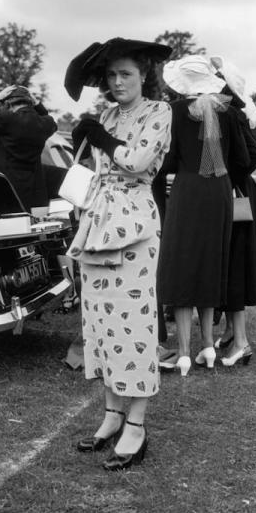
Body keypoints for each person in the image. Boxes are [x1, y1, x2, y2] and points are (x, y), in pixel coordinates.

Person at [63, 37, 172, 471]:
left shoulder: (159, 112)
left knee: (135, 325)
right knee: (101, 323)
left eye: (126, 73)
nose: (118, 81)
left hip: (135, 224)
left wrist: (101, 137)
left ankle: (137, 424)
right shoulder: (106, 114)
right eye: (111, 75)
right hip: (98, 222)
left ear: (144, 74)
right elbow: (95, 168)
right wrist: (84, 139)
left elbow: (137, 160)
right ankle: (112, 416)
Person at [153, 55, 252, 376]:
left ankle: (183, 352)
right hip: (219, 194)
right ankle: (207, 346)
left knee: (183, 267)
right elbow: (244, 158)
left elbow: (165, 160)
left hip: (187, 191)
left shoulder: (174, 112)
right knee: (211, 265)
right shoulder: (230, 112)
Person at [207, 55, 256, 366]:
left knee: (234, 266)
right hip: (238, 191)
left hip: (236, 195)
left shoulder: (231, 114)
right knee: (230, 265)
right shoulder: (230, 112)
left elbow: (254, 155)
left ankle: (241, 342)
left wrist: (231, 177)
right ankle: (229, 334)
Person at [0, 85, 58, 209]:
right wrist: (38, 104)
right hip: (33, 189)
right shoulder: (44, 123)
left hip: (6, 187)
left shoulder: (6, 119)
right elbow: (50, 120)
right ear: (30, 102)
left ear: (9, 104)